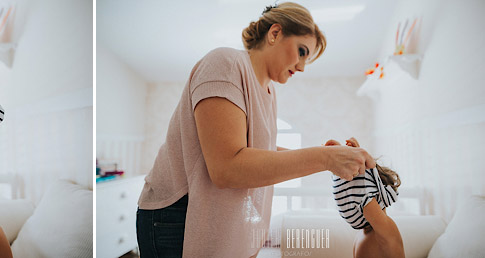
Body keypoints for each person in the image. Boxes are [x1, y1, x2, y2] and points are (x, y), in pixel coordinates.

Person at [134, 3, 378, 257]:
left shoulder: (269, 92)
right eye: (302, 51)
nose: (303, 66)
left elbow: (257, 152)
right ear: (275, 33)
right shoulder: (226, 63)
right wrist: (324, 158)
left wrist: (325, 156)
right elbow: (227, 168)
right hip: (177, 214)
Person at [327, 138, 404, 258]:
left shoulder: (387, 231)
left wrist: (358, 156)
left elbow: (363, 192)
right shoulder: (361, 235)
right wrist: (340, 156)